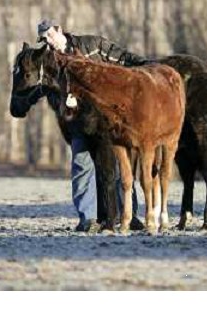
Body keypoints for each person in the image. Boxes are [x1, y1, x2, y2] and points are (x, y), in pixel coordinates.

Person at [37, 19, 144, 232]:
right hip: (79, 125)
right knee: (82, 166)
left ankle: (128, 214)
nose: (48, 42)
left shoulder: (90, 45)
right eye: (43, 39)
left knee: (117, 166)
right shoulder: (48, 62)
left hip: (109, 122)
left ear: (58, 29)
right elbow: (48, 92)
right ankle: (88, 218)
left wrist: (147, 66)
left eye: (49, 35)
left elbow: (122, 58)